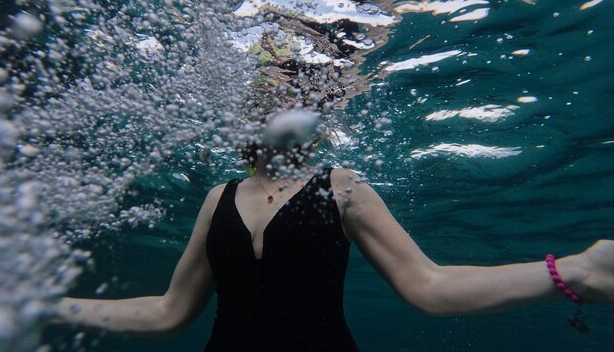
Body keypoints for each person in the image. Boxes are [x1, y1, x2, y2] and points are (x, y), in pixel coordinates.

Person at [53, 111, 614, 351]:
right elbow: (170, 313)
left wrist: (573, 272)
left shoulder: (341, 186)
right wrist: (50, 305)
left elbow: (431, 287)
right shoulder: (215, 197)